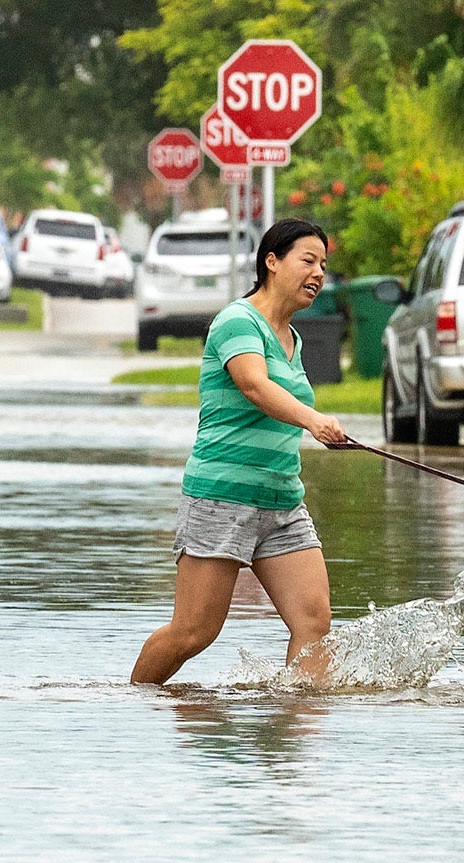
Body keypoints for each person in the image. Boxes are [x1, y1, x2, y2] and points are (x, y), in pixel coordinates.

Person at [130, 218, 348, 685]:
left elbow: (280, 398)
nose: (318, 273)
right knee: (194, 632)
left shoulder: (293, 338)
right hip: (221, 497)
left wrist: (319, 425)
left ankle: (296, 737)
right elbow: (253, 384)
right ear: (271, 261)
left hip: (283, 500)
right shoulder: (236, 321)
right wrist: (314, 420)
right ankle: (135, 702)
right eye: (307, 260)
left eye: (323, 265)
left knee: (314, 623)